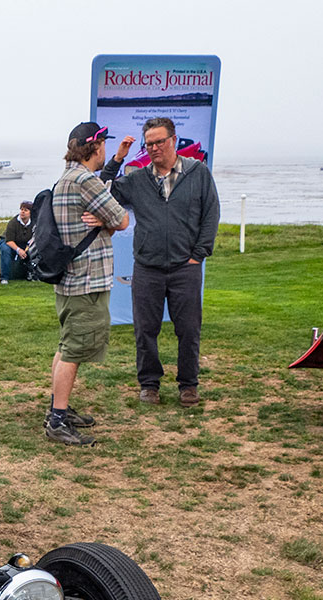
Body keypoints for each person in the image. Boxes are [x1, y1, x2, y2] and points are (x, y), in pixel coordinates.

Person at [96, 116, 220, 407]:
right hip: (147, 267)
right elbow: (102, 190)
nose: (153, 148)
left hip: (184, 268)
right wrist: (117, 159)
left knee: (188, 329)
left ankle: (188, 385)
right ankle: (149, 385)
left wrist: (198, 254)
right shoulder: (138, 179)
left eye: (159, 142)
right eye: (148, 144)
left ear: (173, 141)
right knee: (145, 329)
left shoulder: (198, 173)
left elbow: (211, 214)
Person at [45, 123, 129, 446]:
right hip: (87, 280)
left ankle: (57, 407)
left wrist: (103, 221)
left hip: (70, 279)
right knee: (73, 351)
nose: (106, 149)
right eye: (104, 145)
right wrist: (108, 222)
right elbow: (122, 219)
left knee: (66, 345)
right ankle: (57, 421)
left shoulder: (66, 178)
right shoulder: (85, 181)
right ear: (95, 148)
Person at [0, 201, 34, 283]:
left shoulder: (34, 223)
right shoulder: (13, 222)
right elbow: (9, 241)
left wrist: (27, 248)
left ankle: (32, 274)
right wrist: (19, 250)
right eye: (21, 209)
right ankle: (5, 278)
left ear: (31, 213)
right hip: (7, 241)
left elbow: (35, 237)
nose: (23, 212)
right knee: (6, 251)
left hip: (24, 243)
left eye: (26, 210)